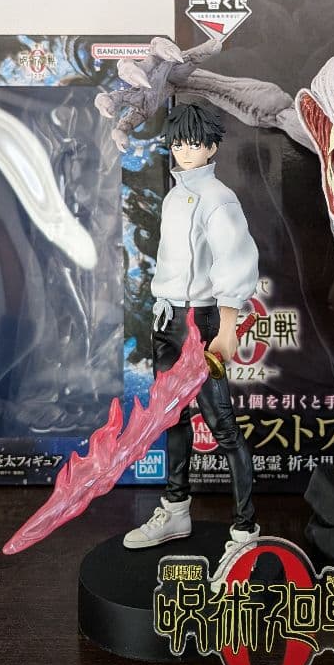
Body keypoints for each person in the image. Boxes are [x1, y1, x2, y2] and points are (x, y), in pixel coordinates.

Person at [123, 102, 260, 588]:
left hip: (201, 322)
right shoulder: (174, 197)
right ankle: (176, 508)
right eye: (178, 143)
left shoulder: (219, 199)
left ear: (212, 147)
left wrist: (226, 327)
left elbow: (235, 262)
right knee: (172, 417)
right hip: (168, 317)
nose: (184, 151)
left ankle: (244, 532)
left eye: (194, 143)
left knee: (223, 427)